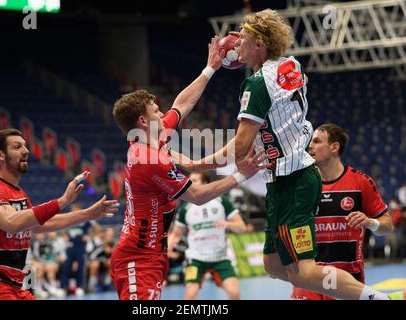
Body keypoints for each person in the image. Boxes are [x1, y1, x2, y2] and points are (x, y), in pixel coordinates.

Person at [196, 9, 404, 300]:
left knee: (304, 271)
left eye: (242, 38)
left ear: (259, 43)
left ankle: (377, 298)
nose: (236, 43)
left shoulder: (257, 84)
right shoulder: (291, 65)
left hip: (294, 182)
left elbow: (241, 148)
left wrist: (196, 161)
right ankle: (341, 291)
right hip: (282, 182)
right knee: (273, 264)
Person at [110, 37, 267, 300]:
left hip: (153, 253)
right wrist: (241, 174)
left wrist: (210, 69)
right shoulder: (147, 158)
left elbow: (182, 105)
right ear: (142, 121)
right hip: (137, 257)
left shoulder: (153, 139)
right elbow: (197, 195)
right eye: (156, 112)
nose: (162, 115)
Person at [0, 128, 119, 300]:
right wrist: (62, 202)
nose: (26, 150)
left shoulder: (19, 193)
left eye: (25, 146)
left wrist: (87, 215)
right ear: (0, 155)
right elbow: (11, 222)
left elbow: (38, 224)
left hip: (13, 287)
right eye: (17, 147)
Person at [291, 123, 394, 300]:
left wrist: (370, 222)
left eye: (317, 141)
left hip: (348, 281)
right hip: (310, 279)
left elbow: (388, 226)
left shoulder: (361, 183)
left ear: (334, 147)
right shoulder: (302, 186)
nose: (310, 146)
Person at [169, 172, 246, 300]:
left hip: (220, 257)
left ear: (205, 184)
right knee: (190, 295)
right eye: (189, 181)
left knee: (234, 293)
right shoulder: (185, 208)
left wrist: (227, 224)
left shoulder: (222, 202)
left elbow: (241, 227)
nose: (190, 184)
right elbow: (176, 234)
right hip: (195, 259)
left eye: (194, 180)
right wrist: (169, 245)